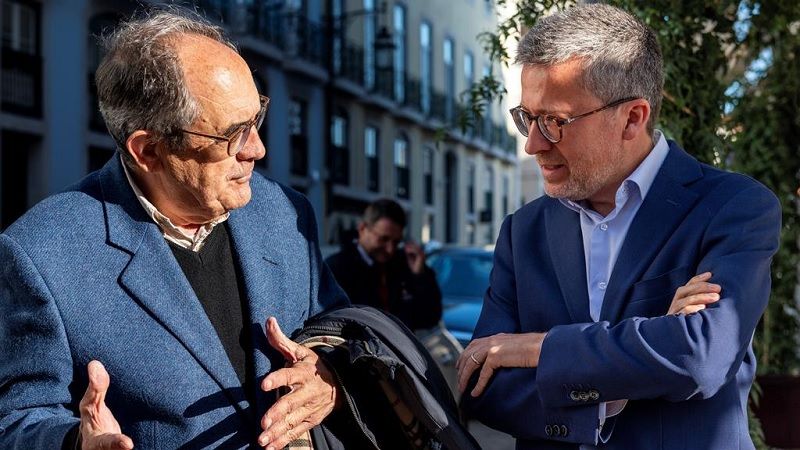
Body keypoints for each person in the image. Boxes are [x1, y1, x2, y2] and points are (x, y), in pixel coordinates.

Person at [0, 9, 349, 450]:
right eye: (232, 135)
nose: (257, 149)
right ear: (148, 150)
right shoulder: (40, 254)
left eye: (256, 119)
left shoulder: (286, 212)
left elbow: (337, 325)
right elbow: (16, 420)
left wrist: (329, 374)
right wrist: (75, 441)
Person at [456, 4, 780, 450]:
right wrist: (635, 362)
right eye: (527, 117)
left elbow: (700, 356)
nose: (532, 144)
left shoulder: (734, 207)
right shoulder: (522, 231)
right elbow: (483, 384)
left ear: (632, 117)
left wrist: (540, 348)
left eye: (554, 121)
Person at [325, 198, 442, 331]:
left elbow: (430, 318)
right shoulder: (336, 269)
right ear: (362, 229)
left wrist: (420, 276)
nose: (390, 249)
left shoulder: (405, 264)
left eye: (396, 242)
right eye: (383, 239)